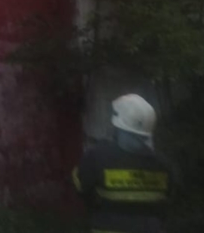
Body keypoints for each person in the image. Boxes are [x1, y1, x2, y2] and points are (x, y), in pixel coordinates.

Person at [73, 94, 174, 233]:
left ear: (118, 127)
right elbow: (169, 201)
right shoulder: (164, 166)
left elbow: (79, 186)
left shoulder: (97, 158)